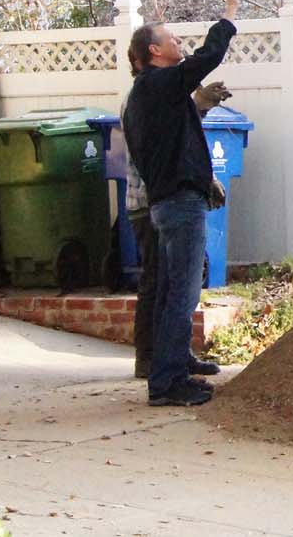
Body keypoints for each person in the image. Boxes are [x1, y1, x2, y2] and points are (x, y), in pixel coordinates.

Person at [123, 0, 239, 407]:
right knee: (183, 293)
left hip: (168, 203)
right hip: (178, 205)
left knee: (172, 292)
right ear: (154, 52)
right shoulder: (158, 85)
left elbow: (178, 139)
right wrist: (229, 13)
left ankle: (168, 369)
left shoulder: (148, 97)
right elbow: (207, 57)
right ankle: (167, 382)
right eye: (171, 39)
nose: (178, 43)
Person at [125, 80, 232, 381]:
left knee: (178, 285)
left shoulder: (164, 98)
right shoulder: (142, 99)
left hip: (166, 199)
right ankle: (149, 358)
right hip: (151, 202)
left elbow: (183, 140)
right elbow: (161, 153)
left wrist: (200, 106)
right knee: (158, 284)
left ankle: (176, 355)